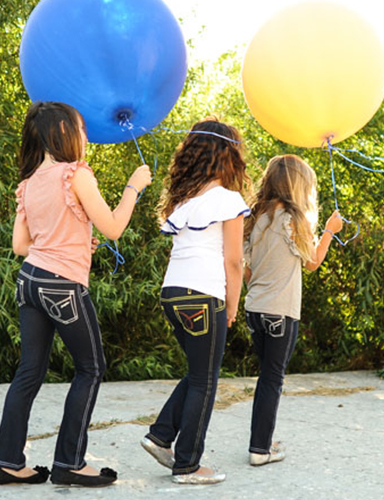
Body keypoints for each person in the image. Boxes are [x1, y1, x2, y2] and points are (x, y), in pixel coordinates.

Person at [0, 101, 151, 487]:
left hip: (30, 281)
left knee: (29, 371)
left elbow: (20, 245)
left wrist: (73, 242)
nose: (84, 135)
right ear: (62, 133)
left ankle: (8, 462)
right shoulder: (75, 174)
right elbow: (112, 227)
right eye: (80, 128)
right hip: (62, 285)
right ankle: (70, 463)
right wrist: (133, 187)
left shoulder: (27, 183)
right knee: (91, 368)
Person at [140, 118, 250, 484]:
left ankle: (160, 436)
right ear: (227, 157)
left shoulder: (184, 201)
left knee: (197, 372)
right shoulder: (229, 200)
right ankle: (187, 464)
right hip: (205, 295)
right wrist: (232, 305)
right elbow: (234, 261)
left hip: (173, 293)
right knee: (205, 380)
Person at [243, 154, 343, 466]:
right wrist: (328, 231)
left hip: (255, 311)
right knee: (273, 379)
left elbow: (245, 270)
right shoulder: (292, 219)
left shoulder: (255, 218)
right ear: (298, 186)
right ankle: (260, 449)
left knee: (266, 377)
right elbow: (312, 263)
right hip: (280, 313)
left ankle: (263, 440)